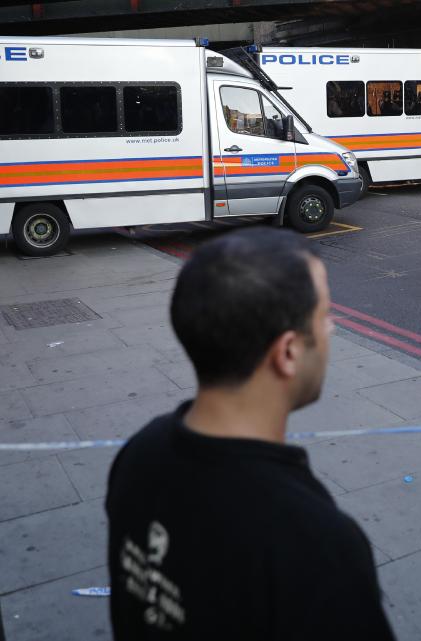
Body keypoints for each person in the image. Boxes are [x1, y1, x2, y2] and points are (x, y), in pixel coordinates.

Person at [106, 228, 395, 640]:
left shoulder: (139, 453)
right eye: (324, 316)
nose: (331, 330)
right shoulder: (316, 544)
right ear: (288, 353)